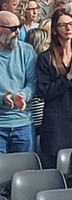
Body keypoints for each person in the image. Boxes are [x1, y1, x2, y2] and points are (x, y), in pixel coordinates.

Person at [36, 9, 72, 168]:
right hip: (56, 123)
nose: (68, 28)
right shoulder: (46, 58)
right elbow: (45, 92)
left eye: (71, 24)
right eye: (63, 25)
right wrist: (68, 76)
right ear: (55, 30)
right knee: (56, 167)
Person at [0, 10, 37, 153]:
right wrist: (2, 99)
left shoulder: (27, 51)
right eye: (13, 28)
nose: (18, 32)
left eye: (19, 27)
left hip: (23, 123)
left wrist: (23, 96)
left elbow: (33, 83)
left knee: (25, 171)